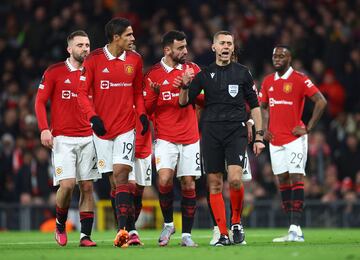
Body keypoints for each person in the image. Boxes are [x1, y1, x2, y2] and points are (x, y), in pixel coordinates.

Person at [178, 31, 265, 246]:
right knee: (214, 184)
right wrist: (184, 86)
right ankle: (223, 234)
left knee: (235, 179)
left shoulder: (243, 73)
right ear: (214, 47)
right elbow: (183, 102)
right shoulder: (205, 74)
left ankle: (236, 222)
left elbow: (255, 106)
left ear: (233, 48)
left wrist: (259, 136)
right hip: (210, 132)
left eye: (229, 43)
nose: (226, 47)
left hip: (236, 130)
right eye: (222, 43)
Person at [77, 18, 149, 248]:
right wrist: (93, 117)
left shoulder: (135, 60)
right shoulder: (94, 59)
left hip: (126, 127)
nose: (133, 38)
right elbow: (81, 93)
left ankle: (123, 230)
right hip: (102, 130)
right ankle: (129, 226)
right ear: (116, 37)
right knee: (113, 183)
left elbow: (137, 92)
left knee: (122, 174)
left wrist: (142, 115)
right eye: (128, 35)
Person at [34, 30, 99, 247]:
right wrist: (44, 129)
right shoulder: (54, 72)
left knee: (87, 187)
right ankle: (60, 224)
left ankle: (85, 236)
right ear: (69, 49)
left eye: (88, 45)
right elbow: (40, 102)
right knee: (68, 185)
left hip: (88, 137)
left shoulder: (94, 72)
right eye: (80, 45)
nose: (85, 49)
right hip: (62, 138)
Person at [259, 45, 327, 242]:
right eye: (275, 55)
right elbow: (263, 106)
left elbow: (321, 101)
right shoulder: (268, 81)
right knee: (282, 181)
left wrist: (309, 127)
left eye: (282, 55)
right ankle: (292, 229)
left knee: (296, 177)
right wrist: (265, 128)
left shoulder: (299, 78)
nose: (277, 58)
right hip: (275, 140)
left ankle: (296, 227)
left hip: (295, 139)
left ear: (290, 59)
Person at [143, 30, 202, 247]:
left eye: (186, 47)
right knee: (165, 179)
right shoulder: (152, 75)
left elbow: (203, 100)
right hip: (165, 137)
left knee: (188, 184)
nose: (185, 51)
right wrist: (156, 94)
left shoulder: (193, 70)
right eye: (180, 48)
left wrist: (189, 88)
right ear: (167, 50)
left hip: (190, 136)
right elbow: (147, 110)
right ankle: (169, 224)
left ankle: (186, 235)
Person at [125, 113, 153, 245]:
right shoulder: (123, 92)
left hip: (144, 145)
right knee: (128, 187)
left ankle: (127, 226)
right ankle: (131, 231)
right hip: (124, 142)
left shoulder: (149, 92)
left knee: (139, 191)